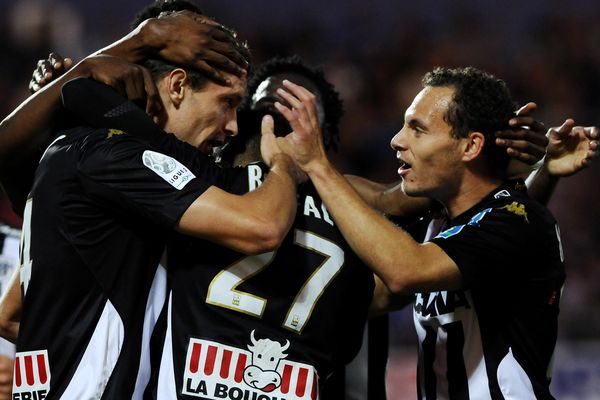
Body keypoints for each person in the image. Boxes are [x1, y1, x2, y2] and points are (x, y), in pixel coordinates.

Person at [0, 11, 303, 399]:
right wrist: (285, 165)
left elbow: (11, 315)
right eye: (226, 103)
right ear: (177, 86)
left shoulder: (74, 150)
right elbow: (262, 226)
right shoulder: (115, 156)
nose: (231, 127)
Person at [272, 67, 598, 399]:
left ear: (470, 146)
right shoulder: (443, 218)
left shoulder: (520, 221)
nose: (397, 140)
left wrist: (317, 164)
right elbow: (384, 278)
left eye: (417, 129)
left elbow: (404, 272)